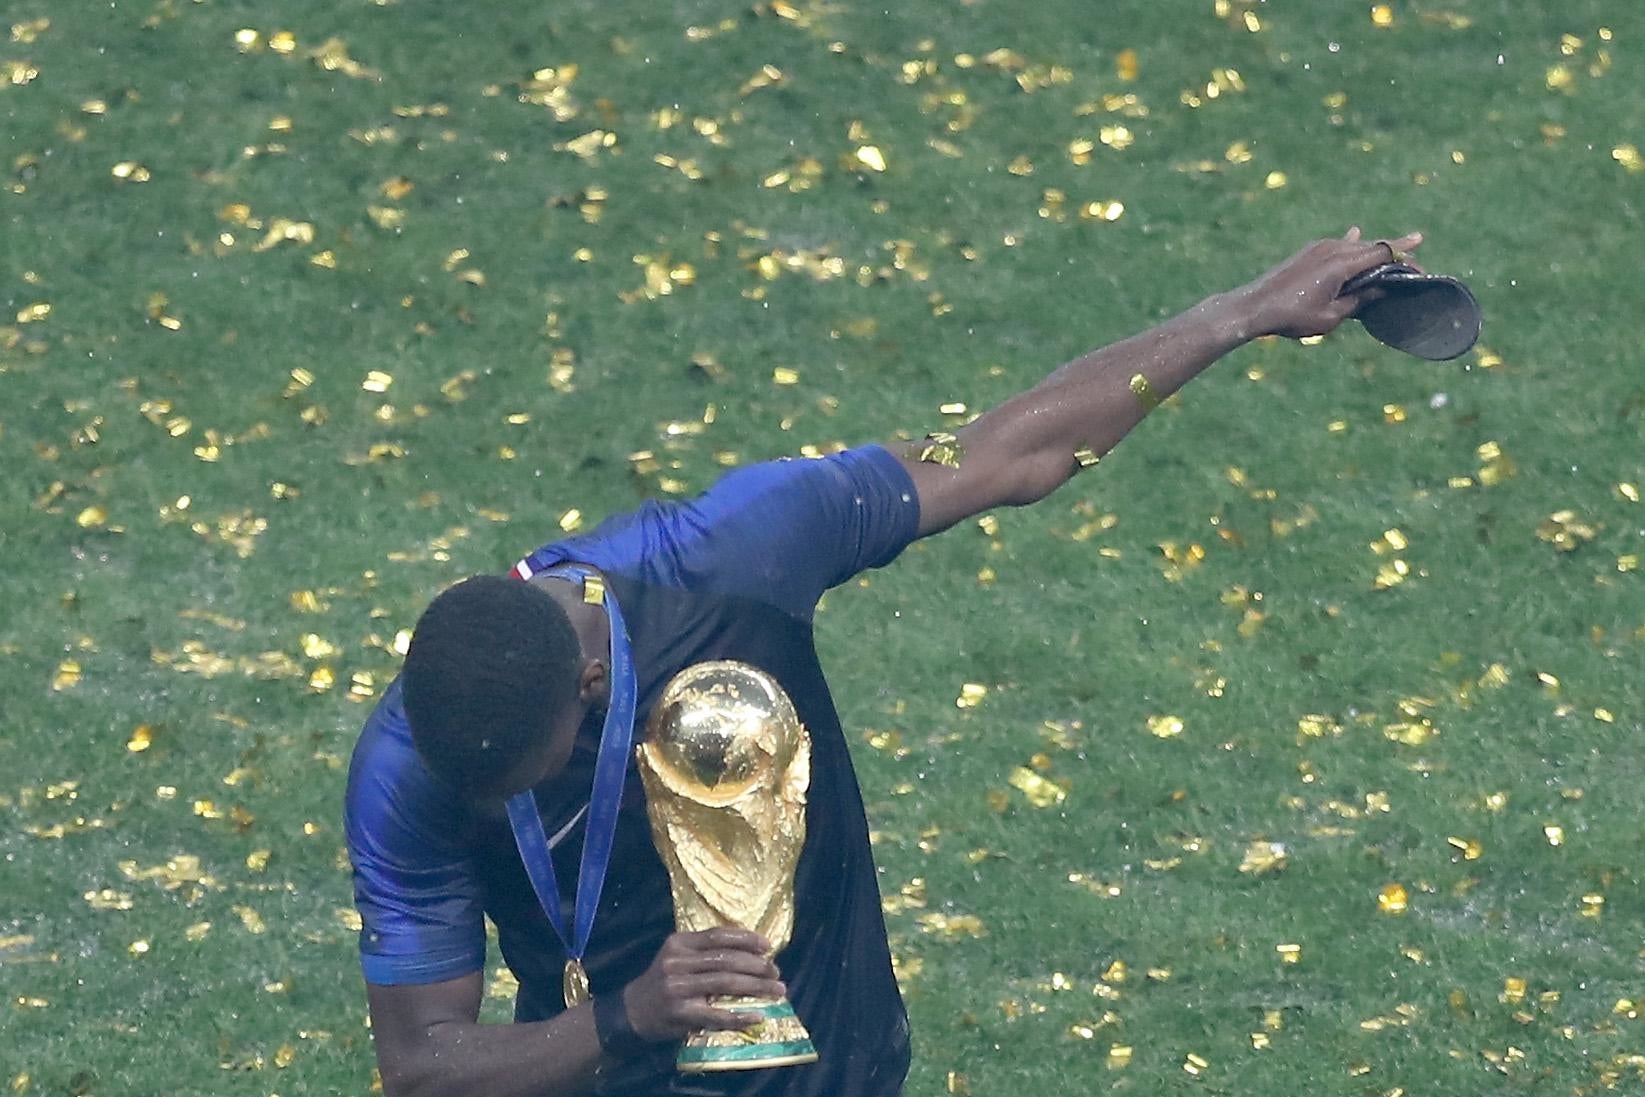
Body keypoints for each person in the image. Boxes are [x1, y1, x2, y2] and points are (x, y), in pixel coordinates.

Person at [344, 228, 1423, 1097]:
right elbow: (424, 1064)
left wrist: (1238, 312)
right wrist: (623, 1015)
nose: (486, 805)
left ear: (587, 696)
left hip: (839, 1066)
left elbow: (1013, 451)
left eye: (521, 785)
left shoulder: (734, 554)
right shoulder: (411, 764)